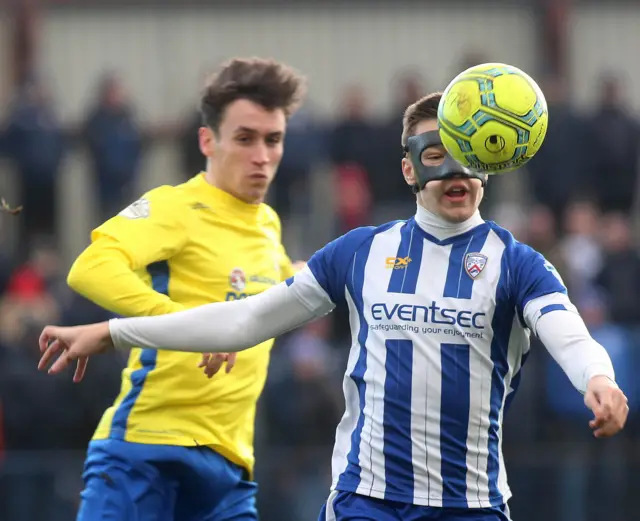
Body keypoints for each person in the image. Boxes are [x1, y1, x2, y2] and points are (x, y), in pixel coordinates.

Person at [39, 92, 629, 521]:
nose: (455, 171)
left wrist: (597, 377)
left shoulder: (518, 262)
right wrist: (116, 331)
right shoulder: (359, 252)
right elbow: (247, 319)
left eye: (469, 152)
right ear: (406, 168)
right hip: (364, 502)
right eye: (435, 154)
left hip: (469, 504)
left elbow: (567, 330)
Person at [46, 57, 306, 521]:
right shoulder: (176, 207)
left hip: (229, 468)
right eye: (245, 139)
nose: (262, 156)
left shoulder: (269, 225)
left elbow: (281, 291)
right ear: (208, 140)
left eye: (274, 139)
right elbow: (91, 267)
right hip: (145, 453)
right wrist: (188, 326)